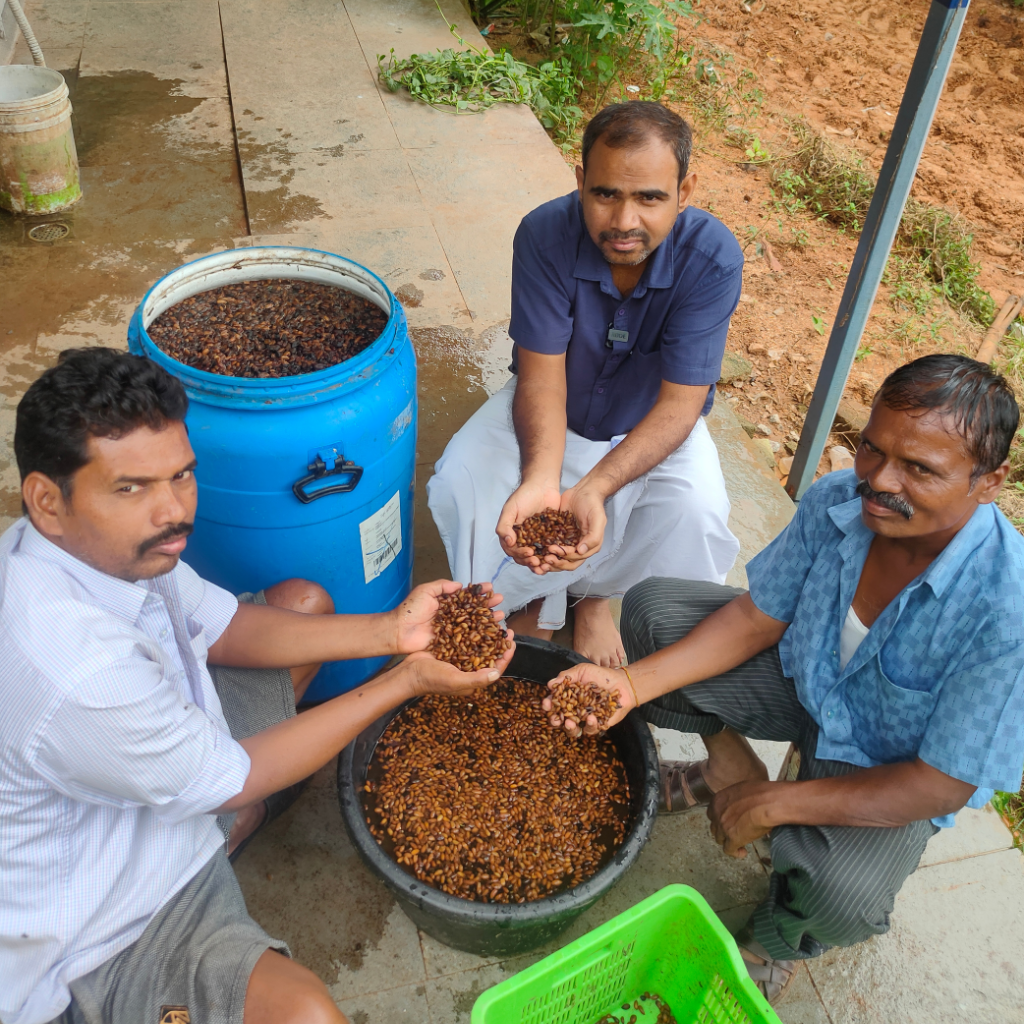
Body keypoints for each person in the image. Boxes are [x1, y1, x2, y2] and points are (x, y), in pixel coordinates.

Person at [0, 349, 514, 1024]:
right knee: (305, 1014)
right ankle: (224, 826)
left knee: (302, 602)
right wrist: (409, 679)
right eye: (131, 488)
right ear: (47, 499)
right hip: (102, 923)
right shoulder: (76, 671)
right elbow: (238, 773)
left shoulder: (103, 548)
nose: (174, 511)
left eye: (182, 475)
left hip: (162, 754)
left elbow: (227, 625)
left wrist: (395, 632)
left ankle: (226, 824)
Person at [544, 354, 1024, 1003]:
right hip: (802, 678)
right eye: (873, 450)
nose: (881, 482)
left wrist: (777, 804)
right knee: (657, 612)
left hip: (887, 763)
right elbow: (753, 620)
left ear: (989, 481)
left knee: (842, 895)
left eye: (919, 469)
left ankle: (774, 939)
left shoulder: (1004, 610)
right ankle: (723, 765)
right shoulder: (840, 501)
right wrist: (629, 686)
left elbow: (940, 783)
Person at [427, 101, 743, 668]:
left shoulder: (711, 257)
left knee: (694, 513)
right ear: (580, 183)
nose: (624, 222)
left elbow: (680, 405)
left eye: (649, 197)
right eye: (605, 194)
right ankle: (527, 598)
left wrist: (593, 488)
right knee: (461, 483)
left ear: (685, 190)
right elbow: (542, 380)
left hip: (650, 422)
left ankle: (594, 596)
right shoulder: (545, 234)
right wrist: (540, 480)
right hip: (557, 410)